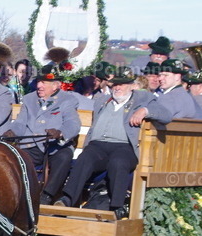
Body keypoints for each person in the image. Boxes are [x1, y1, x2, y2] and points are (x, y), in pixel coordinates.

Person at [56, 67, 159, 218]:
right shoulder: (102, 100)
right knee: (85, 158)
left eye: (122, 84)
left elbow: (165, 113)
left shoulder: (141, 99)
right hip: (98, 146)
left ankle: (117, 206)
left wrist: (144, 111)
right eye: (115, 84)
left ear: (131, 85)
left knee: (119, 162)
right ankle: (67, 199)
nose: (117, 87)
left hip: (124, 146)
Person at [4, 63, 81, 205]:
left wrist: (60, 133)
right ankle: (16, 195)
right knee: (14, 157)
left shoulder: (68, 100)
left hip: (54, 145)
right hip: (30, 143)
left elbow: (73, 123)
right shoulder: (29, 99)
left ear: (56, 85)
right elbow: (21, 123)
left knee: (64, 157)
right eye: (39, 81)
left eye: (44, 82)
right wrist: (12, 132)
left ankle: (47, 196)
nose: (39, 85)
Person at [130, 58, 198, 124]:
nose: (160, 78)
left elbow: (160, 113)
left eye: (165, 75)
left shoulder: (171, 97)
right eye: (160, 75)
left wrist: (145, 110)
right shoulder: (185, 95)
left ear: (177, 77)